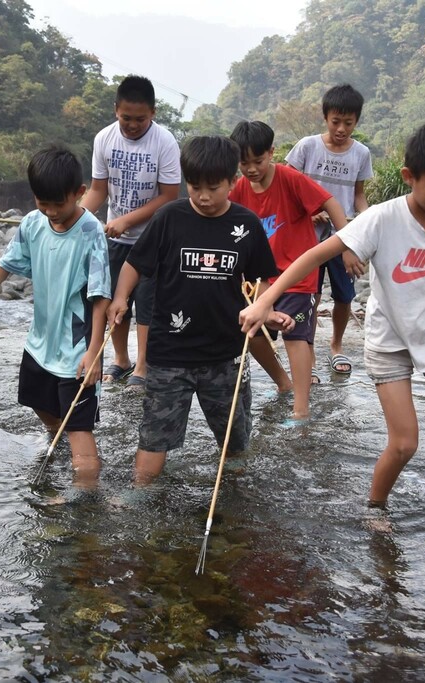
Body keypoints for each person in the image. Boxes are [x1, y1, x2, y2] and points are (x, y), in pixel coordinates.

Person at [239, 121, 425, 525]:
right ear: (409, 177)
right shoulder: (382, 219)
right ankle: (375, 508)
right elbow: (313, 256)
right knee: (404, 443)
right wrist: (266, 302)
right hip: (388, 343)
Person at [108, 135, 293, 485]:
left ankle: (236, 493)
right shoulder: (169, 218)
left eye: (213, 187)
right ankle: (140, 493)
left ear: (233, 181)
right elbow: (135, 263)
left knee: (234, 442)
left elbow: (263, 279)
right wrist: (120, 297)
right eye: (194, 187)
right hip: (168, 355)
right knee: (154, 436)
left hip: (225, 355)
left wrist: (265, 310)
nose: (204, 197)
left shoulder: (246, 224)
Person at [0, 146, 111, 488]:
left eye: (59, 205)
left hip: (77, 349)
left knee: (79, 429)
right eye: (44, 205)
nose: (52, 213)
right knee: (37, 403)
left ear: (79, 193)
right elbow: (5, 267)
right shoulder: (32, 223)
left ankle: (84, 500)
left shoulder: (91, 234)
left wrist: (95, 351)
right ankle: (56, 442)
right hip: (41, 342)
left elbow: (100, 297)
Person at [229, 120, 351, 422]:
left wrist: (348, 244)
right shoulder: (241, 188)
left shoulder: (289, 178)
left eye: (258, 161)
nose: (252, 169)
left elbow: (330, 202)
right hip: (261, 281)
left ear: (272, 152)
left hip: (298, 277)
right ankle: (283, 383)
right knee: (250, 329)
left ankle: (301, 408)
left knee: (296, 337)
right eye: (244, 163)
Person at [81, 75, 182, 390]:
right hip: (114, 239)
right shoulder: (104, 139)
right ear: (115, 110)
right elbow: (98, 190)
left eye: (140, 119)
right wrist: (77, 218)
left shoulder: (164, 142)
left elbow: (169, 196)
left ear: (152, 112)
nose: (132, 125)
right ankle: (122, 359)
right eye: (126, 118)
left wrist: (129, 220)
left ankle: (143, 365)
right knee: (113, 301)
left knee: (147, 304)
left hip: (153, 241)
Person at [285, 84, 373, 376]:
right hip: (309, 234)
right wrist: (308, 212)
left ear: (356, 122)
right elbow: (289, 187)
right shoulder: (308, 147)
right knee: (308, 293)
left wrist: (369, 218)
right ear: (326, 118)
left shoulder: (360, 153)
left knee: (344, 295)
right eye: (336, 121)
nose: (341, 129)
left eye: (348, 123)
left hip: (344, 233)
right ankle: (306, 354)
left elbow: (358, 194)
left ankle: (336, 345)